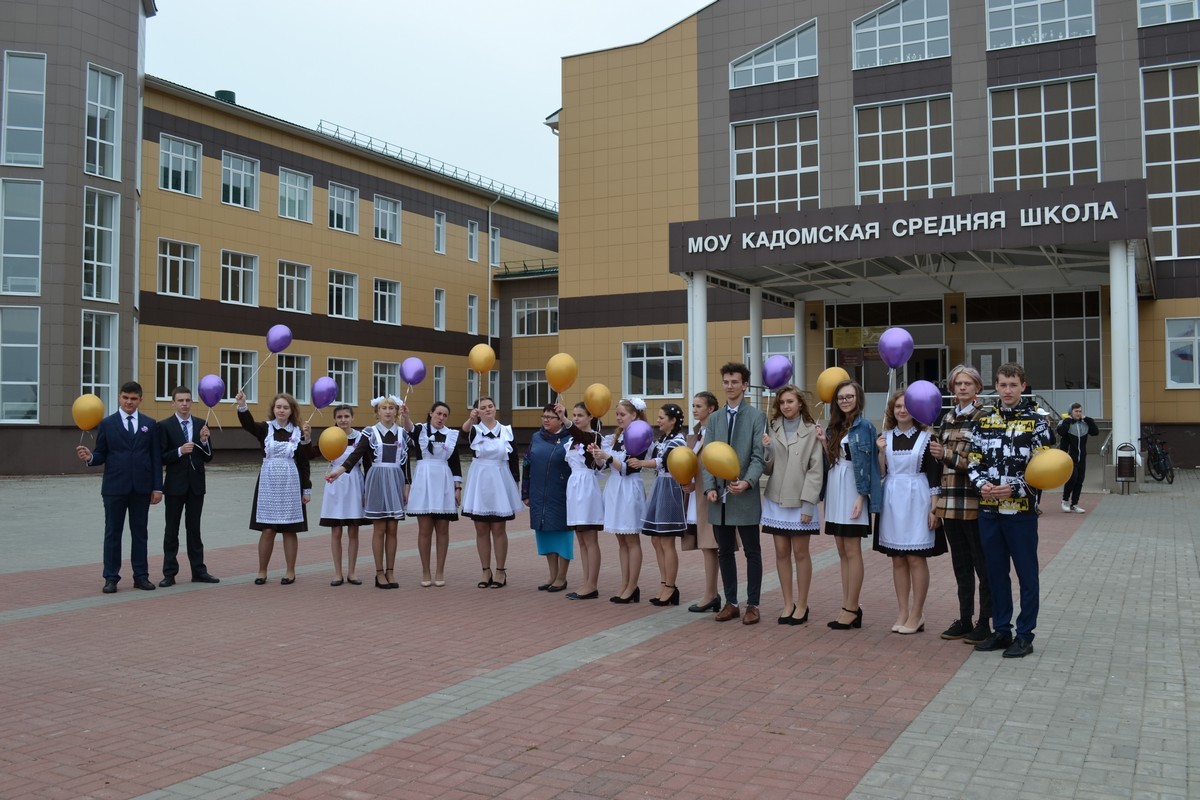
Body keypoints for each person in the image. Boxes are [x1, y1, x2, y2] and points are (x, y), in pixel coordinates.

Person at [967, 362, 1053, 659]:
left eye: (1012, 385)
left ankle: (1025, 635)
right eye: (1002, 385)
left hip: (1021, 513)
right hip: (989, 511)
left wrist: (1015, 487)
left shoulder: (1038, 423)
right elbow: (973, 461)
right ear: (997, 387)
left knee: (1027, 575)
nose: (1007, 390)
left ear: (1023, 387)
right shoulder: (984, 422)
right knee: (995, 574)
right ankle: (1002, 630)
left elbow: (1044, 468)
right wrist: (981, 484)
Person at [76, 380, 164, 594]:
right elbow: (101, 453)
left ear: (140, 400)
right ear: (119, 398)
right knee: (113, 533)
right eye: (125, 398)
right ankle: (111, 577)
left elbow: (155, 458)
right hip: (114, 488)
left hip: (141, 489)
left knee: (140, 533)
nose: (129, 402)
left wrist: (157, 488)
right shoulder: (107, 424)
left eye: (134, 398)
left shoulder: (149, 424)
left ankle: (141, 576)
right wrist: (90, 457)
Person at [929, 365, 992, 645]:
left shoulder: (985, 418)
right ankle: (964, 619)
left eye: (968, 383)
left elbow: (983, 462)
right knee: (960, 565)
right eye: (958, 384)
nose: (963, 388)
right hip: (949, 503)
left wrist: (948, 455)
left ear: (977, 388)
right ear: (952, 389)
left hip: (973, 503)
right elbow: (939, 463)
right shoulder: (947, 418)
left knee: (983, 565)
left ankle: (984, 622)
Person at [874, 391, 946, 634]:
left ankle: (917, 613)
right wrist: (881, 453)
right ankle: (902, 611)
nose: (901, 411)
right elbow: (882, 473)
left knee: (916, 557)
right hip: (893, 500)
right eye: (897, 407)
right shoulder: (884, 437)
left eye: (906, 406)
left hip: (918, 499)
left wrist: (935, 508)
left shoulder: (927, 438)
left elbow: (934, 475)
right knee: (897, 558)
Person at [703, 362, 767, 626]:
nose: (730, 386)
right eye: (726, 382)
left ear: (744, 385)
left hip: (745, 495)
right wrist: (709, 487)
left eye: (734, 382)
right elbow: (707, 456)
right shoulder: (715, 418)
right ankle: (731, 603)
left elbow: (757, 456)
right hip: (719, 499)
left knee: (752, 551)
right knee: (724, 552)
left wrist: (749, 482)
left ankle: (753, 604)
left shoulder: (756, 416)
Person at [326, 395, 410, 589]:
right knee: (380, 528)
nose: (388, 411)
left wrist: (407, 485)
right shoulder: (370, 433)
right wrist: (339, 471)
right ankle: (379, 572)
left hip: (396, 480)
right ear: (377, 412)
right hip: (376, 481)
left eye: (391, 408)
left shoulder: (402, 434)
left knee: (393, 529)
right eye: (384, 408)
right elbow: (355, 455)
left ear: (396, 411)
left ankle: (391, 571)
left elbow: (406, 463)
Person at [760, 384, 823, 625]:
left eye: (790, 402)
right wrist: (766, 448)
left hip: (800, 501)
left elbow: (816, 470)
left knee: (800, 553)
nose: (786, 406)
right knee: (781, 553)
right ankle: (787, 603)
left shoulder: (811, 430)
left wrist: (809, 504)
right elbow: (768, 468)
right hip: (776, 499)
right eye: (783, 402)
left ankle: (803, 604)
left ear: (800, 404)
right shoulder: (773, 428)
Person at [236, 390, 312, 585]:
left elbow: (304, 462)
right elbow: (248, 425)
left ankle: (290, 571)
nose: (281, 410)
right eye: (278, 407)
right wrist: (243, 406)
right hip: (269, 482)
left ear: (291, 410)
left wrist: (306, 489)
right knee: (268, 529)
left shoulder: (299, 431)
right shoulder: (265, 429)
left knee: (289, 529)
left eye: (285, 407)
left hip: (290, 482)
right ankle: (262, 571)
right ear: (273, 409)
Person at [822, 379, 881, 630]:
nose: (845, 401)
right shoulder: (835, 427)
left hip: (852, 489)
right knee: (841, 550)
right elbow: (833, 460)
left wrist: (862, 496)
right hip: (836, 487)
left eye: (849, 396)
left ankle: (851, 607)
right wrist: (823, 443)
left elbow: (868, 465)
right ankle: (848, 605)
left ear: (858, 399)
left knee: (852, 549)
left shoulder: (865, 426)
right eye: (841, 397)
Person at [157, 385, 218, 587]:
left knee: (194, 529)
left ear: (192, 403)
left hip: (196, 486)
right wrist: (180, 451)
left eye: (188, 400)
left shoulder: (201, 423)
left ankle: (199, 571)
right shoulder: (164, 426)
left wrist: (204, 441)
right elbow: (161, 457)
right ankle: (169, 573)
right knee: (171, 530)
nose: (184, 404)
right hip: (174, 486)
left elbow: (208, 457)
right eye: (180, 400)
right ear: (173, 403)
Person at [460, 397, 523, 589]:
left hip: (500, 480)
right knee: (480, 528)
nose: (487, 410)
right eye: (482, 408)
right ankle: (485, 570)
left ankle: (500, 571)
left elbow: (513, 460)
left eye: (490, 406)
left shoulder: (506, 431)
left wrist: (516, 484)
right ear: (477, 411)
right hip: (480, 481)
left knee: (498, 528)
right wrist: (471, 420)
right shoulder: (474, 430)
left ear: (495, 408)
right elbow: (463, 434)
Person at [629, 403, 688, 606]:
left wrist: (641, 463)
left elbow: (662, 461)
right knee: (656, 540)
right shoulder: (664, 439)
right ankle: (664, 583)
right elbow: (653, 454)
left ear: (673, 421)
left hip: (671, 487)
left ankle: (670, 586)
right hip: (660, 485)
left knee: (666, 540)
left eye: (662, 417)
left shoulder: (678, 441)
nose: (658, 420)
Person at [591, 397, 648, 603]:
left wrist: (607, 457)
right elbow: (605, 467)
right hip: (615, 489)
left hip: (629, 488)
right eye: (617, 414)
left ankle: (633, 585)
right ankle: (625, 583)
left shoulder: (640, 436)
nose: (618, 418)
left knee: (631, 538)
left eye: (622, 414)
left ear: (634, 415)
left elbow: (628, 468)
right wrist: (598, 456)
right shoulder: (616, 437)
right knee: (621, 540)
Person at [522, 403, 581, 592]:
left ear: (560, 420)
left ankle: (562, 577)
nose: (546, 420)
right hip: (539, 492)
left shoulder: (570, 439)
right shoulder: (536, 437)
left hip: (562, 493)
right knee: (545, 533)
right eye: (544, 417)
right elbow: (527, 464)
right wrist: (526, 492)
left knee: (562, 534)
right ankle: (552, 574)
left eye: (550, 417)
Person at [407, 401, 462, 587]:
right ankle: (425, 571)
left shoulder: (451, 435)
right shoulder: (420, 430)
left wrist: (458, 487)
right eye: (438, 413)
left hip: (444, 482)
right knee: (424, 530)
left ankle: (440, 570)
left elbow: (455, 462)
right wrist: (405, 415)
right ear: (431, 413)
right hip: (424, 481)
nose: (441, 418)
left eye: (445, 415)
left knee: (443, 530)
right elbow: (408, 428)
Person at [313, 404, 368, 586]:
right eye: (339, 417)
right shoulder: (329, 436)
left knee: (353, 530)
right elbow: (312, 453)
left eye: (346, 416)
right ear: (335, 419)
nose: (343, 420)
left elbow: (367, 464)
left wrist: (367, 490)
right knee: (336, 531)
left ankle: (352, 572)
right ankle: (337, 572)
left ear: (352, 418)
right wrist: (305, 438)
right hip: (335, 483)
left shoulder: (361, 437)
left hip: (355, 484)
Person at [684, 391, 726, 613]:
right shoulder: (696, 433)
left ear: (711, 409)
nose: (694, 409)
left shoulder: (716, 432)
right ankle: (711, 592)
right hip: (698, 495)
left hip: (713, 495)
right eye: (693, 405)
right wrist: (688, 482)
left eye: (699, 406)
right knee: (706, 546)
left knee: (712, 545)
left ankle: (712, 594)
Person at [564, 401, 605, 600]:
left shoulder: (594, 437)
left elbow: (581, 436)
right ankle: (586, 581)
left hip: (587, 488)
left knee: (590, 538)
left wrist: (563, 419)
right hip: (574, 488)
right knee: (580, 539)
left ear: (591, 417)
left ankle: (592, 584)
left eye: (580, 415)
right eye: (574, 415)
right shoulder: (571, 441)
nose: (576, 418)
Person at [1058, 403, 1098, 513]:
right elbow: (1061, 432)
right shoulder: (1065, 422)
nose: (1079, 413)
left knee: (1080, 480)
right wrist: (1068, 420)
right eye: (1076, 411)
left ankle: (1074, 504)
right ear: (1071, 412)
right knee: (1072, 478)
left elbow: (1095, 432)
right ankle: (1065, 500)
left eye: (1080, 411)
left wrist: (1088, 419)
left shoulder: (1084, 424)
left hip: (1082, 458)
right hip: (1069, 457)